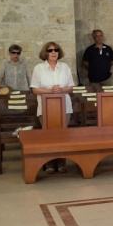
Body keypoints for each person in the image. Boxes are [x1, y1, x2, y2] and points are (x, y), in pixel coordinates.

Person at [31, 42, 75, 172]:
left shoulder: (65, 67)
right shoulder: (38, 68)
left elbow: (71, 87)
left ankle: (61, 163)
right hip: (45, 108)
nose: (53, 52)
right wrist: (50, 91)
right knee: (48, 136)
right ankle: (49, 164)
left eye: (56, 50)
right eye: (50, 50)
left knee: (62, 136)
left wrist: (61, 89)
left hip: (64, 107)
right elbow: (34, 89)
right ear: (45, 53)